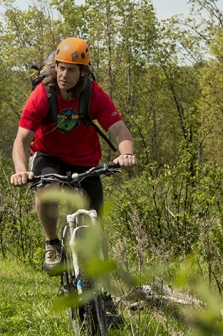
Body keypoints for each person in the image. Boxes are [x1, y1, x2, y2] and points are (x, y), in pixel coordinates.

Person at [9, 37, 137, 273]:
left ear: (83, 72)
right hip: (49, 156)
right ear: (55, 66)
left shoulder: (94, 94)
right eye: (60, 67)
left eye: (71, 69)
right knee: (47, 192)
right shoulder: (42, 95)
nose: (63, 75)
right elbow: (22, 139)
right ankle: (52, 243)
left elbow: (118, 129)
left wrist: (126, 153)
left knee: (96, 225)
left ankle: (104, 294)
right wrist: (20, 170)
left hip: (85, 161)